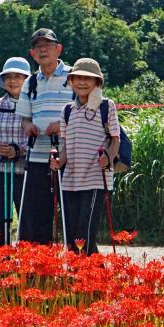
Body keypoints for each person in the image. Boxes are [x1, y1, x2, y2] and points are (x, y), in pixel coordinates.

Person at [49, 58, 119, 255]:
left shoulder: (106, 106)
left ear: (98, 83)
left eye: (88, 78)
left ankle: (86, 279)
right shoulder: (67, 111)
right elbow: (65, 147)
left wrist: (109, 158)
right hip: (70, 179)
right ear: (70, 81)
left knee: (85, 234)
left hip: (96, 177)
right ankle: (89, 277)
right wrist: (57, 162)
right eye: (77, 77)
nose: (82, 82)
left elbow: (115, 140)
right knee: (71, 236)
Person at [15, 28, 74, 244]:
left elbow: (86, 111)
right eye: (38, 46)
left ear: (58, 49)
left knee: (70, 213)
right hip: (37, 156)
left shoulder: (74, 76)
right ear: (32, 53)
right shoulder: (30, 82)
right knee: (38, 214)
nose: (43, 50)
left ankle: (76, 268)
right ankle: (43, 269)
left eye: (47, 45)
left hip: (68, 156)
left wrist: (62, 125)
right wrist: (28, 125)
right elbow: (24, 118)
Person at [0, 57, 30, 247]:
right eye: (8, 77)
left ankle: (27, 265)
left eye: (18, 76)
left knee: (27, 217)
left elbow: (38, 137)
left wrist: (18, 150)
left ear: (27, 79)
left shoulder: (33, 105)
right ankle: (1, 262)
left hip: (25, 170)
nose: (13, 81)